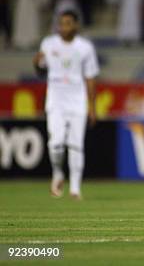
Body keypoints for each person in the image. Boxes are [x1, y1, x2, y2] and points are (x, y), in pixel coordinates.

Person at [33, 10, 99, 200]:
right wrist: (36, 63)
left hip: (77, 101)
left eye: (68, 23)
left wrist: (92, 107)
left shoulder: (85, 47)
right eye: (61, 24)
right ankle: (58, 173)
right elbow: (40, 71)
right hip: (55, 101)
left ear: (76, 25)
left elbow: (90, 78)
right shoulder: (48, 43)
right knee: (55, 144)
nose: (64, 27)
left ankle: (75, 189)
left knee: (76, 145)